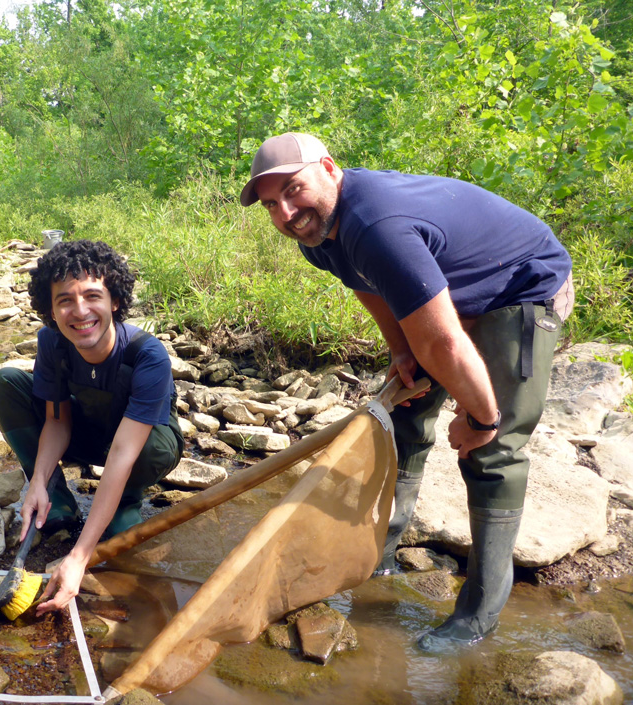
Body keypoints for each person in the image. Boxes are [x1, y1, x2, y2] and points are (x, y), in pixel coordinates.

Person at [239, 132, 574, 651]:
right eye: (270, 204)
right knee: (407, 410)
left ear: (329, 168)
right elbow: (367, 286)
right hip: (451, 285)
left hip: (521, 287)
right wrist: (400, 350)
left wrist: (480, 418)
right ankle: (379, 556)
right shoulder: (319, 234)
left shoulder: (376, 224)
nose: (285, 212)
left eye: (294, 189)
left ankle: (478, 615)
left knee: (494, 449)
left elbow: (442, 342)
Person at [0, 239, 184, 615]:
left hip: (143, 445)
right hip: (91, 430)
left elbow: (125, 452)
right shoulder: (53, 343)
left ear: (114, 301)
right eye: (64, 300)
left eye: (92, 296)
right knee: (5, 382)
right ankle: (54, 503)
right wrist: (38, 483)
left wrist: (79, 556)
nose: (79, 312)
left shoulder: (147, 355)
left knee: (140, 452)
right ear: (51, 309)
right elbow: (57, 421)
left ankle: (126, 501)